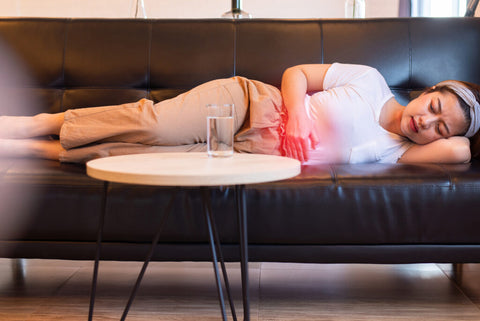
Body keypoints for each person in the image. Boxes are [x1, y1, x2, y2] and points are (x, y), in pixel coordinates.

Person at [0, 63, 479, 164]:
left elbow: (460, 150)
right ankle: (32, 123)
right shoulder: (370, 81)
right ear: (426, 90)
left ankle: (22, 150)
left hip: (242, 155)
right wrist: (298, 118)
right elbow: (296, 74)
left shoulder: (395, 153)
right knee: (152, 123)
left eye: (439, 128)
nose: (428, 123)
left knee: (119, 156)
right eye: (435, 107)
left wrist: (460, 125)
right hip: (246, 104)